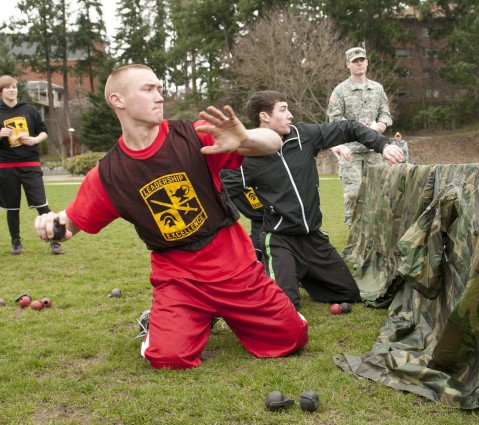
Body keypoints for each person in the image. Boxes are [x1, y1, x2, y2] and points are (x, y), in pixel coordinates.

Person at [33, 65, 308, 370]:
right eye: (148, 89)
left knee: (292, 339)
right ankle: (165, 321)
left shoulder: (195, 133)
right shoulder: (109, 175)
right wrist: (52, 225)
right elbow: (70, 223)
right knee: (167, 358)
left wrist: (244, 138)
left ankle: (237, 313)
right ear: (118, 100)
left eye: (159, 89)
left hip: (234, 266)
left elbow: (273, 143)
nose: (159, 97)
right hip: (179, 279)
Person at [221, 90, 404, 310]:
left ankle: (302, 273)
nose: (290, 115)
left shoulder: (304, 135)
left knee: (349, 293)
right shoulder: (246, 154)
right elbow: (229, 187)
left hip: (313, 238)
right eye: (283, 109)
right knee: (285, 306)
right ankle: (283, 273)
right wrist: (262, 214)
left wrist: (383, 146)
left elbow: (349, 127)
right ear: (265, 116)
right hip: (280, 240)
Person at [327, 47, 393, 225]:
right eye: (355, 61)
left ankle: (374, 237)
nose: (359, 63)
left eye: (362, 60)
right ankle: (354, 237)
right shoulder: (340, 91)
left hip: (374, 151)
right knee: (353, 195)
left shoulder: (377, 89)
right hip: (351, 152)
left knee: (378, 196)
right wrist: (354, 129)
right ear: (348, 64)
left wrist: (383, 123)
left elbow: (385, 113)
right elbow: (334, 120)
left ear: (367, 62)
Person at [0, 75, 61, 255]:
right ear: (1, 91)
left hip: (30, 164)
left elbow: (44, 132)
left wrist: (34, 139)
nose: (12, 90)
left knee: (42, 205)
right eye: (8, 87)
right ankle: (16, 242)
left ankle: (55, 240)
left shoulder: (30, 110)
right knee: (12, 208)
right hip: (6, 167)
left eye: (14, 87)